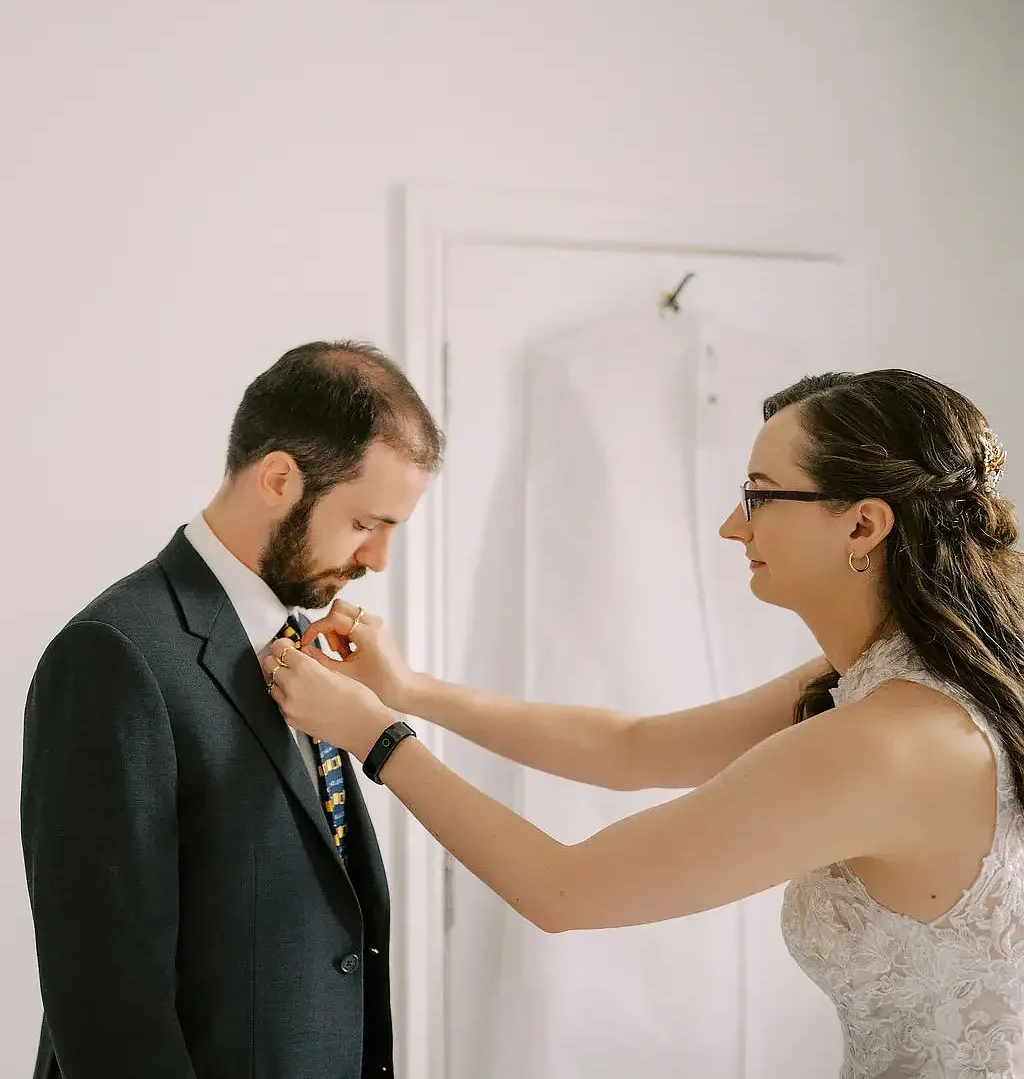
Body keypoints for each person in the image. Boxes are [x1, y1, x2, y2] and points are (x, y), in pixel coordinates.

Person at [265, 368, 1024, 1078]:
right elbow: (633, 747)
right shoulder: (878, 680)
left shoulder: (890, 741)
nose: (734, 526)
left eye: (760, 496)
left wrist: (375, 737)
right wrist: (409, 689)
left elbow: (564, 890)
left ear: (862, 526)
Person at [21, 341, 443, 1079]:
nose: (377, 559)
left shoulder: (307, 652)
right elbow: (108, 1003)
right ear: (279, 477)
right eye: (365, 524)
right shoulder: (113, 656)